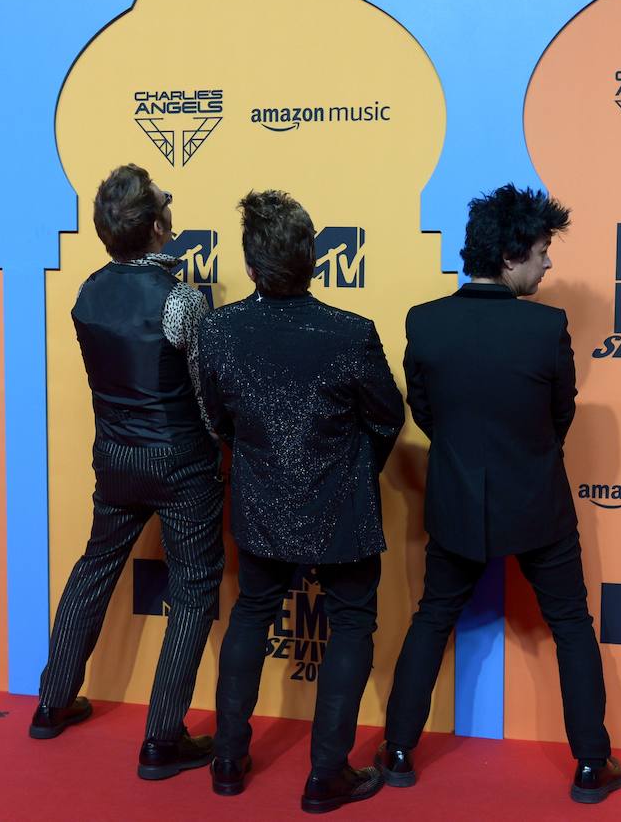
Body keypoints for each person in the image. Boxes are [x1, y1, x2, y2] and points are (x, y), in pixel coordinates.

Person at [376, 184, 621, 805]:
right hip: (538, 505)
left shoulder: (424, 322)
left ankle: (399, 751)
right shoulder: (546, 328)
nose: (548, 265)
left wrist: (467, 457)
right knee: (570, 625)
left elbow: (426, 413)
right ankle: (592, 764)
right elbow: (558, 415)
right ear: (512, 255)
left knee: (434, 617)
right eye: (542, 252)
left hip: (457, 503)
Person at [198, 190, 404, 814]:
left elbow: (216, 419)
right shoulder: (351, 333)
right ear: (313, 258)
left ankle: (229, 761)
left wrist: (264, 461)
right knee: (350, 626)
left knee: (251, 613)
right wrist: (352, 469)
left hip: (261, 505)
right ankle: (326, 776)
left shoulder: (219, 330)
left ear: (253, 267)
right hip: (341, 506)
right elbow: (389, 419)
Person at [29, 163, 225, 784]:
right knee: (193, 587)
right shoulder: (183, 299)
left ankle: (51, 703)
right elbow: (204, 395)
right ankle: (161, 740)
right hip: (180, 460)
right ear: (161, 228)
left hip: (114, 457)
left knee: (94, 566)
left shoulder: (86, 291)